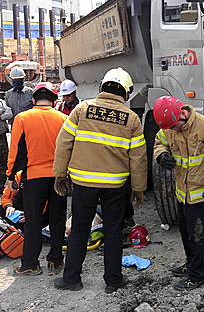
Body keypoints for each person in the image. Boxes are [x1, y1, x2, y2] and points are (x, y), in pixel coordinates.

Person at [52, 67, 147, 293]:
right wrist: (138, 189)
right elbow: (138, 158)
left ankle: (71, 278)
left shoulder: (82, 110)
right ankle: (113, 281)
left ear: (102, 87)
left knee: (79, 230)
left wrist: (60, 174)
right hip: (115, 186)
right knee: (113, 232)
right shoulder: (131, 119)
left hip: (83, 184)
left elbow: (63, 143)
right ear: (125, 92)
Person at [153, 95, 204, 291]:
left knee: (197, 237)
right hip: (181, 192)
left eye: (174, 126)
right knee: (186, 233)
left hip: (199, 194)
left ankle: (197, 276)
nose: (172, 130)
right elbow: (159, 141)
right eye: (169, 128)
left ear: (182, 113)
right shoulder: (170, 127)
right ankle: (190, 264)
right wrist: (161, 156)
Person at [6, 82, 68, 276]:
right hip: (59, 176)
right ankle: (56, 262)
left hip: (33, 177)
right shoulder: (64, 118)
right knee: (58, 219)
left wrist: (10, 176)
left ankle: (31, 264)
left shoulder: (22, 118)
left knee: (33, 221)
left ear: (33, 100)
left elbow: (15, 152)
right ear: (55, 100)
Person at [0, 98, 13, 189]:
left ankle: (1, 186)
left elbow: (9, 114)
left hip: (1, 136)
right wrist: (1, 111)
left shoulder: (1, 102)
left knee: (4, 160)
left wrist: (1, 115)